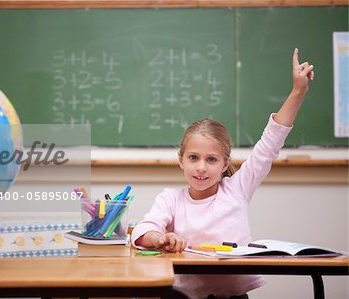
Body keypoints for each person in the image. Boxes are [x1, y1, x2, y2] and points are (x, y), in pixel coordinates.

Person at [131, 48, 314, 299]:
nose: (201, 167)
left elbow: (270, 143)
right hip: (183, 296)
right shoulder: (171, 199)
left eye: (212, 159)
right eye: (193, 158)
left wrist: (298, 92)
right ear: (181, 161)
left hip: (232, 297)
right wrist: (161, 238)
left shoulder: (237, 189)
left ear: (225, 162)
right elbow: (143, 231)